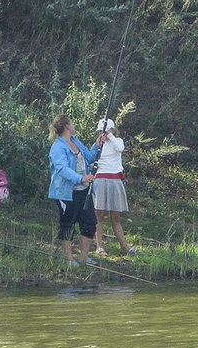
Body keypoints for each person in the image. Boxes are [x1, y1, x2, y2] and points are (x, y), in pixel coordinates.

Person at [48, 114, 100, 267]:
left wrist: (97, 145)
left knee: (90, 222)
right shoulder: (57, 147)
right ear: (67, 126)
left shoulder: (76, 142)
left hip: (85, 191)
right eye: (72, 123)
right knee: (67, 224)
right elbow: (62, 169)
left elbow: (90, 157)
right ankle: (69, 259)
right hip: (66, 193)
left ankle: (84, 257)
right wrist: (81, 178)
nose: (73, 125)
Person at [92, 118, 135, 256]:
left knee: (116, 217)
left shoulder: (118, 141)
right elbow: (91, 158)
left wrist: (110, 135)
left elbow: (120, 148)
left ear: (113, 130)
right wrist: (100, 141)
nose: (103, 133)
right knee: (99, 216)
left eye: (106, 130)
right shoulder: (98, 144)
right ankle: (99, 247)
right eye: (101, 131)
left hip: (115, 179)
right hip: (100, 180)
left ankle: (125, 247)